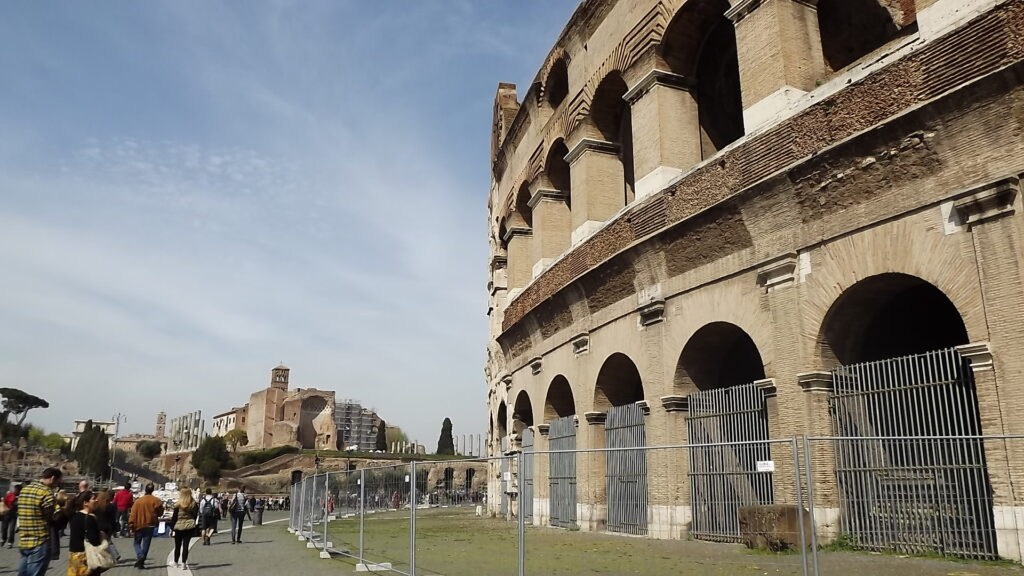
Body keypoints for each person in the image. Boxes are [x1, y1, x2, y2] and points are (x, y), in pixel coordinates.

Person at [17, 467, 62, 576]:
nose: (57, 485)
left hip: (23, 540)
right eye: (57, 482)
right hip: (39, 541)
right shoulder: (46, 492)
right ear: (52, 478)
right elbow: (50, 518)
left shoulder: (24, 489)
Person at [66, 490, 107, 576]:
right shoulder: (89, 519)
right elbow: (94, 541)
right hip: (86, 558)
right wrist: (102, 535)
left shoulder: (74, 516)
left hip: (74, 556)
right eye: (93, 498)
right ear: (86, 503)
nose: (96, 500)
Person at [127, 483, 163, 569]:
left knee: (136, 543)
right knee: (146, 543)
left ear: (145, 490)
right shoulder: (156, 500)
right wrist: (155, 515)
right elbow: (160, 512)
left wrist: (131, 524)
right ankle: (141, 562)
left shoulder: (138, 501)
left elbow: (133, 514)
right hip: (150, 524)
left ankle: (140, 555)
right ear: (152, 490)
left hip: (139, 524)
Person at [169, 488, 199, 568]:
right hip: (189, 526)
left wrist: (171, 528)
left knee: (177, 546)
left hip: (179, 526)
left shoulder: (178, 504)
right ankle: (183, 563)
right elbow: (195, 515)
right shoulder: (193, 504)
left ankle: (175, 562)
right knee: (186, 545)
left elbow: (174, 518)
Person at [93, 490, 121, 563]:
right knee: (108, 541)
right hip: (108, 527)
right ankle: (115, 555)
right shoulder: (110, 506)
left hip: (98, 526)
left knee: (101, 543)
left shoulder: (96, 507)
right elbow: (113, 518)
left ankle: (109, 556)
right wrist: (114, 528)